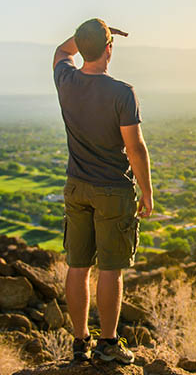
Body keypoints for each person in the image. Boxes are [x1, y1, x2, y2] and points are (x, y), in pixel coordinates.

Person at [52, 18, 153, 364]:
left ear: (82, 48)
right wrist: (147, 191)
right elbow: (135, 148)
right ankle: (108, 345)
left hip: (76, 186)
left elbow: (62, 51)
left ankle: (80, 343)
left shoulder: (65, 79)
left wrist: (89, 37)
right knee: (110, 268)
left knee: (78, 266)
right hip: (112, 190)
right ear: (110, 49)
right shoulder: (122, 92)